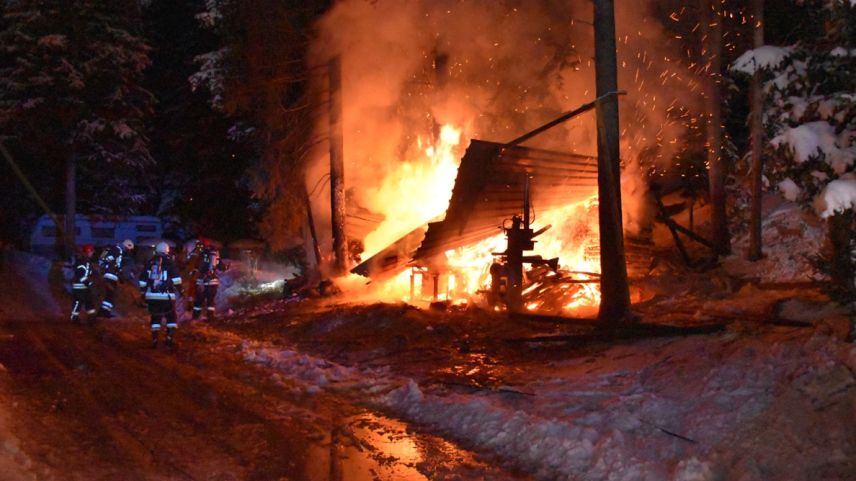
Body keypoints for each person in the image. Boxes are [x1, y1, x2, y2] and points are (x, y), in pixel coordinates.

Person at [138, 241, 182, 348]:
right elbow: (176, 280)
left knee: (155, 318)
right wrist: (181, 291)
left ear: (156, 251)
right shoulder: (170, 263)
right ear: (167, 251)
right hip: (167, 296)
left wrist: (143, 292)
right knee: (171, 318)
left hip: (152, 296)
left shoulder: (150, 263)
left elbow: (142, 280)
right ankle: (169, 339)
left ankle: (155, 340)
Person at [97, 239, 134, 318]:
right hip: (110, 275)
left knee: (110, 294)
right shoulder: (117, 250)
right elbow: (109, 261)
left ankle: (104, 311)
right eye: (129, 249)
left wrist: (120, 275)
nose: (128, 251)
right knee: (110, 294)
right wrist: (113, 269)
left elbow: (117, 264)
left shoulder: (117, 250)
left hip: (111, 274)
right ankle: (104, 312)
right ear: (127, 246)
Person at [192, 243, 227, 321]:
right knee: (210, 300)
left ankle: (195, 316)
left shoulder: (201, 256)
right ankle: (210, 316)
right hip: (212, 282)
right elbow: (222, 267)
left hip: (201, 282)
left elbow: (197, 267)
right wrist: (226, 267)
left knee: (198, 300)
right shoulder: (216, 257)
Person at [70, 244, 98, 323]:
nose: (92, 254)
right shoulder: (82, 262)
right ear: (88, 252)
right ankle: (74, 318)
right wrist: (89, 283)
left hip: (84, 287)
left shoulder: (86, 262)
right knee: (78, 302)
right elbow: (81, 276)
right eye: (91, 252)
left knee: (89, 302)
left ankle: (91, 317)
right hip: (79, 287)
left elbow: (87, 273)